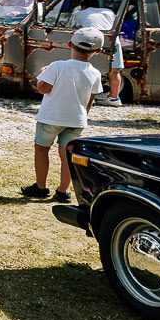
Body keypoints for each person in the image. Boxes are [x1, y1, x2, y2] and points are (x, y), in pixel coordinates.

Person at [20, 28, 105, 202]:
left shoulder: (57, 66)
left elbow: (42, 88)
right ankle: (63, 191)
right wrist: (83, 117)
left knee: (42, 149)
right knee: (67, 155)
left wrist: (42, 74)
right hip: (77, 119)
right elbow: (90, 100)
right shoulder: (95, 73)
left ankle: (41, 187)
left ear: (69, 44)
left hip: (51, 116)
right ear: (98, 51)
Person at [72, 0, 124, 104]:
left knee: (87, 68)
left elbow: (79, 28)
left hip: (93, 40)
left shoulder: (80, 13)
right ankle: (114, 99)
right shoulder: (109, 12)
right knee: (114, 71)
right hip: (112, 40)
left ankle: (88, 97)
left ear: (83, 6)